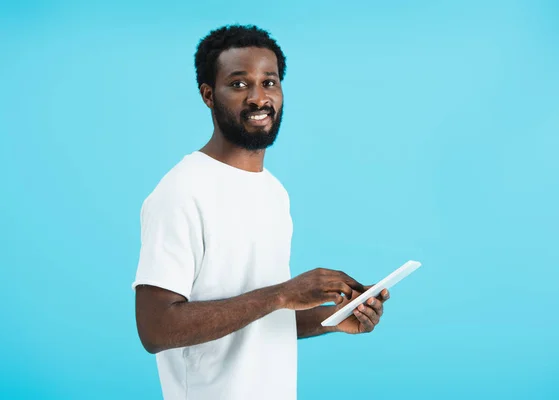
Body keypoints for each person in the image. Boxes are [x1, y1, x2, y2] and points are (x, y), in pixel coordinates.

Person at [132, 24, 391, 400]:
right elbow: (155, 328)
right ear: (208, 95)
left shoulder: (274, 192)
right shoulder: (180, 191)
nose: (258, 97)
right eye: (239, 84)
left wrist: (331, 319)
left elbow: (254, 321)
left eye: (269, 82)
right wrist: (283, 294)